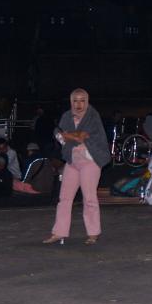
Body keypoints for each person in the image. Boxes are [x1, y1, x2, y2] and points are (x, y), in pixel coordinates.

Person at [42, 88, 110, 245]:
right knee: (64, 198)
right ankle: (59, 232)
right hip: (73, 161)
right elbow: (59, 135)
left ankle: (93, 233)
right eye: (75, 100)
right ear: (71, 101)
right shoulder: (66, 116)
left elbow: (80, 137)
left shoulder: (92, 116)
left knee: (89, 198)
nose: (79, 104)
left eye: (82, 100)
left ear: (87, 101)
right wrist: (67, 136)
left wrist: (67, 135)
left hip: (90, 161)